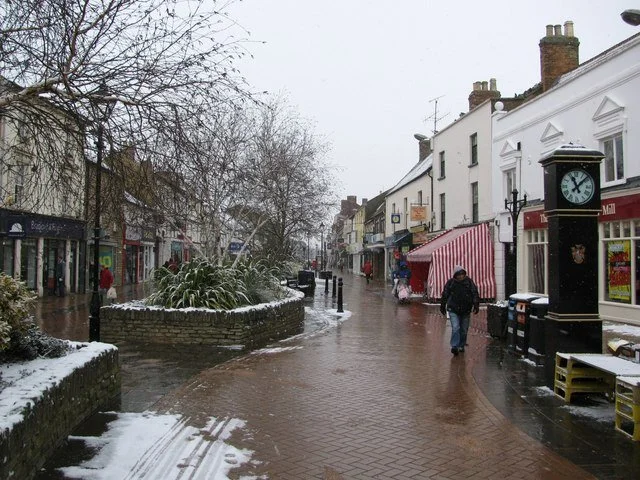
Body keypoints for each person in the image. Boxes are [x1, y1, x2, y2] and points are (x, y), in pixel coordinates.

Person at [440, 265, 480, 356]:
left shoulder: (469, 282)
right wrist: (442, 305)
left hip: (466, 309)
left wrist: (476, 305)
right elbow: (445, 294)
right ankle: (454, 346)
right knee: (456, 327)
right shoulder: (451, 283)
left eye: (462, 274)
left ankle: (461, 345)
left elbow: (474, 293)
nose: (461, 276)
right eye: (459, 274)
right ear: (455, 275)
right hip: (453, 309)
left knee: (464, 330)